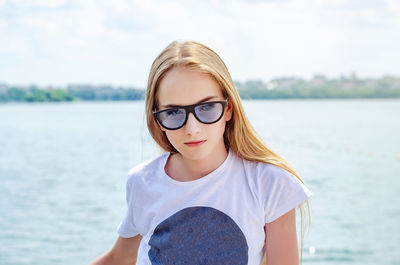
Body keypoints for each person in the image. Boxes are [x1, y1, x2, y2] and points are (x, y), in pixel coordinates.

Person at [90, 40, 312, 265]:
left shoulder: (270, 184)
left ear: (228, 108)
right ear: (157, 119)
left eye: (206, 107)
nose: (192, 129)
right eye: (174, 112)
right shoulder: (142, 182)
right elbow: (120, 258)